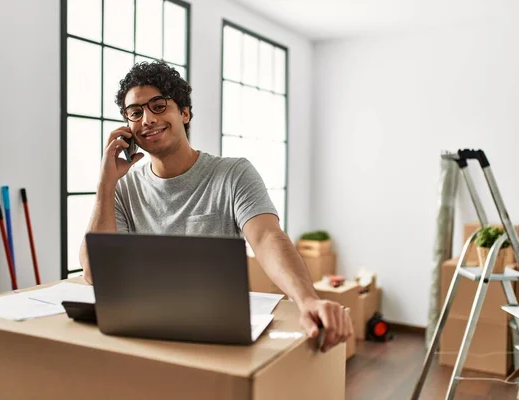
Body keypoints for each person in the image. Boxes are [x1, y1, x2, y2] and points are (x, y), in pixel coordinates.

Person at [79, 60, 353, 353]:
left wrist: (307, 299)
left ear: (184, 112)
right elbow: (94, 272)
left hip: (217, 332)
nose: (146, 119)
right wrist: (105, 184)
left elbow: (267, 238)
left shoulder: (233, 174)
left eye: (158, 106)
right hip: (145, 332)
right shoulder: (123, 188)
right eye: (135, 112)